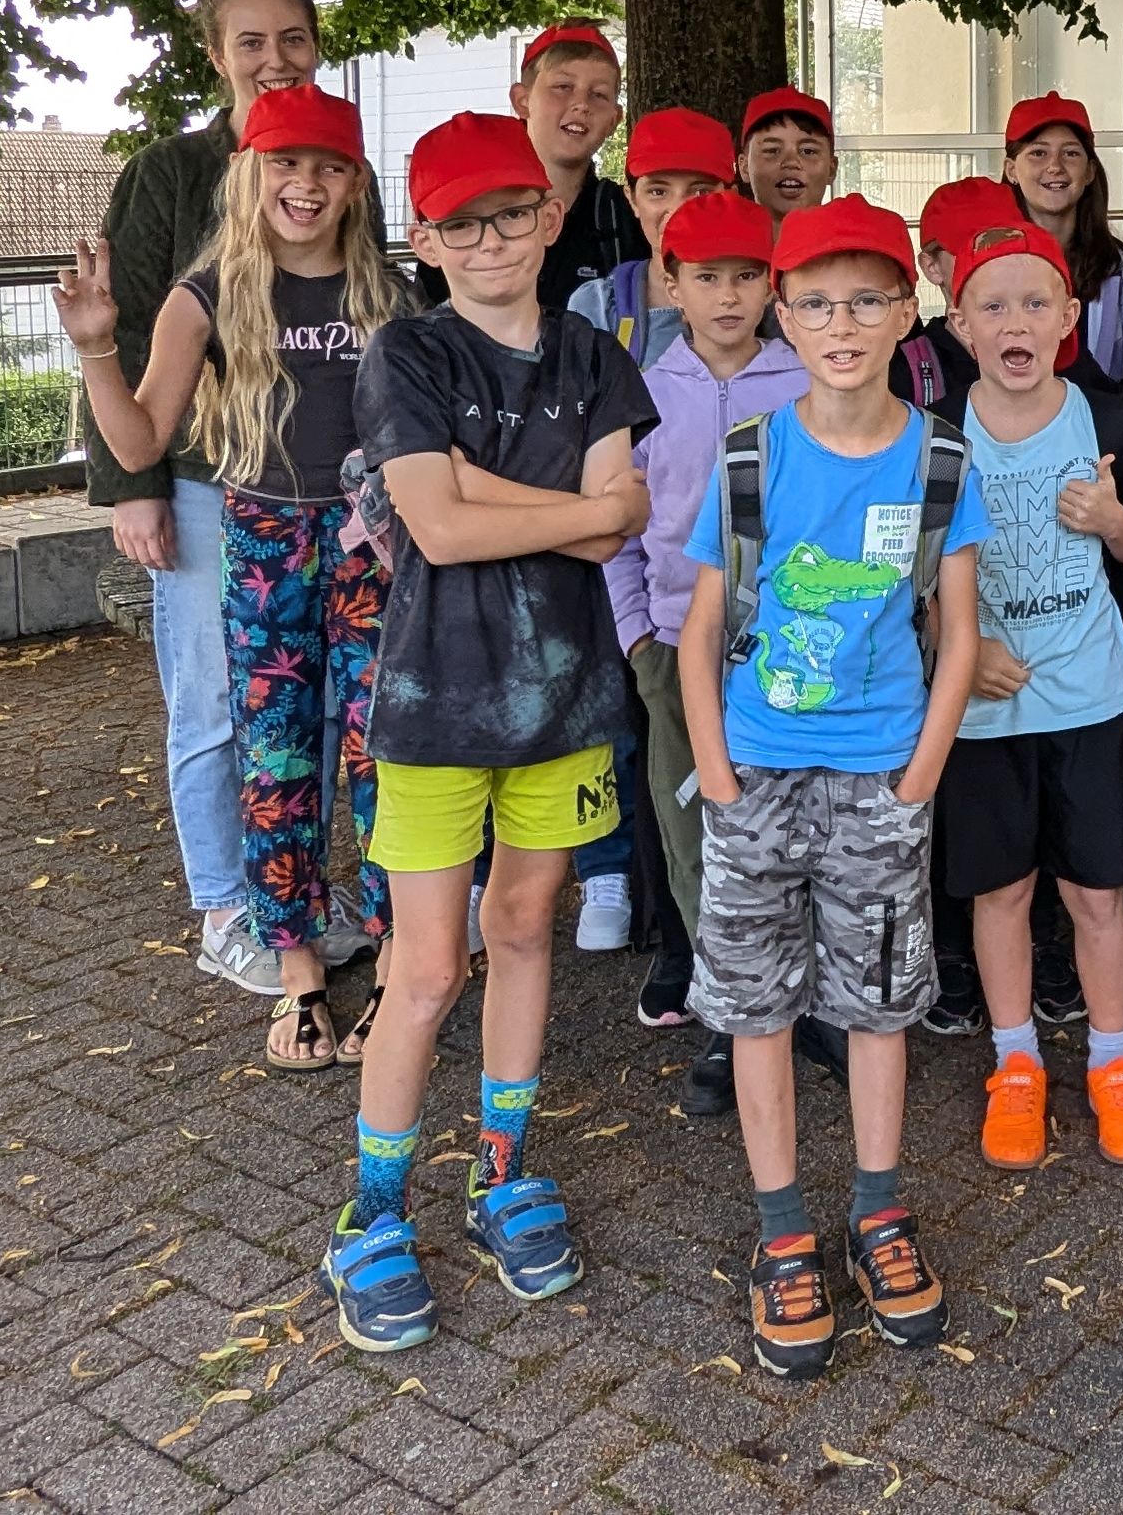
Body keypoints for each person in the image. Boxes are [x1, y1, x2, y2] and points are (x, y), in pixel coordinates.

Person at [318, 112, 657, 1355]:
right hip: (435, 708)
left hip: (566, 708)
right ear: (426, 237)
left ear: (550, 216)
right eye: (463, 221)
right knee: (427, 970)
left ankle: (500, 1169)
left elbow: (623, 524)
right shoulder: (405, 353)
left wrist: (531, 501)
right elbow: (439, 530)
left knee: (524, 932)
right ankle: (372, 1209)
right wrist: (577, 505)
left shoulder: (593, 354)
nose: (493, 237)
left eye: (512, 212)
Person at [677, 196, 987, 1383]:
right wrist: (714, 768)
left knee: (876, 1002)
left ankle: (879, 1211)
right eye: (816, 302)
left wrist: (920, 774)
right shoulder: (752, 454)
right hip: (755, 774)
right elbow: (705, 623)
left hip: (880, 783)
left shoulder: (941, 455)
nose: (842, 322)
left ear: (906, 310)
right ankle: (781, 1234)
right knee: (756, 1006)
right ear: (783, 317)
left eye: (867, 298)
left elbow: (958, 632)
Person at [61, 83, 412, 1070]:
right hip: (262, 545)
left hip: (369, 549)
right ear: (252, 172)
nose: (307, 184)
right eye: (286, 163)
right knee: (277, 760)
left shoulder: (389, 292)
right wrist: (95, 347)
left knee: (382, 754)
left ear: (354, 182)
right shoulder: (205, 292)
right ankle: (299, 976)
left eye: (329, 166)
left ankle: (393, 965)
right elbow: (140, 435)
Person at [84, 0, 330, 999]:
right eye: (251, 42)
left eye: (293, 39)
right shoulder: (170, 172)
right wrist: (129, 482)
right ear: (217, 56)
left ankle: (305, 902)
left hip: (317, 496)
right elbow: (122, 326)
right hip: (192, 479)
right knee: (215, 702)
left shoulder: (331, 164)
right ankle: (227, 908)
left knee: (310, 705)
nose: (274, 58)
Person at [939, 220, 1123, 1172]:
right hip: (986, 710)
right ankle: (1016, 1062)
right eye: (994, 305)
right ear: (960, 324)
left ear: (1071, 316)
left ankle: (1114, 1064)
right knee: (1003, 890)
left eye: (1037, 302)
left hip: (1085, 702)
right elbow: (916, 573)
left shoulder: (1106, 420)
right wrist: (964, 645)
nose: (1016, 321)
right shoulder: (939, 439)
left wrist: (1115, 520)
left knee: (1096, 892)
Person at [602, 190, 809, 1061]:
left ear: (773, 285)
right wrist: (637, 635)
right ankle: (729, 1012)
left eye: (747, 277)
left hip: (798, 648)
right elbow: (614, 524)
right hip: (676, 644)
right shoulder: (642, 393)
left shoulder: (806, 380)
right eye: (706, 278)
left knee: (794, 817)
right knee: (693, 827)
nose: (728, 297)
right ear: (671, 286)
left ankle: (808, 1002)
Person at [568, 105, 741, 354]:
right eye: (658, 192)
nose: (679, 209)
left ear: (730, 199)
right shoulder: (597, 308)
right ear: (632, 200)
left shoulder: (765, 307)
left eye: (700, 191)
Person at [1003, 94, 1123, 384]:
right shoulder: (990, 260)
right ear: (1011, 170)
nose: (1055, 166)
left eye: (1070, 153)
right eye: (1038, 153)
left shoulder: (1116, 266)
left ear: (1090, 171)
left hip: (1098, 421)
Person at [515, 23, 643, 313]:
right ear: (522, 101)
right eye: (563, 87)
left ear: (615, 119)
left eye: (598, 94)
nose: (581, 105)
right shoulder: (477, 210)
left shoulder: (626, 219)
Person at [894, 176, 1018, 414]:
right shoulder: (905, 372)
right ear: (932, 267)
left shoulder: (1054, 351)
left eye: (1006, 246)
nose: (991, 261)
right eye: (970, 250)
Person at [739, 86, 840, 223]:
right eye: (772, 150)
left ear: (831, 169)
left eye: (808, 151)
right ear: (744, 166)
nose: (791, 162)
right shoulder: (717, 243)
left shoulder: (859, 243)